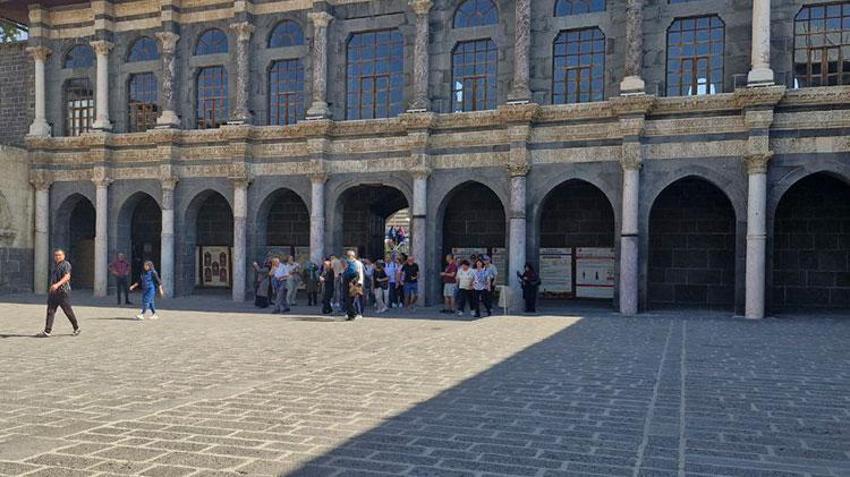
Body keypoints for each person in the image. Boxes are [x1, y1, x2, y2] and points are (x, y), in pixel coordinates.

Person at [38, 249, 81, 337]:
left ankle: (76, 328)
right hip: (54, 292)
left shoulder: (66, 264)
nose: (57, 257)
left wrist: (57, 285)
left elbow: (67, 276)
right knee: (50, 310)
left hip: (63, 292)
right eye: (56, 255)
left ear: (63, 256)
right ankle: (47, 331)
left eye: (59, 255)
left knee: (67, 310)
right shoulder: (56, 265)